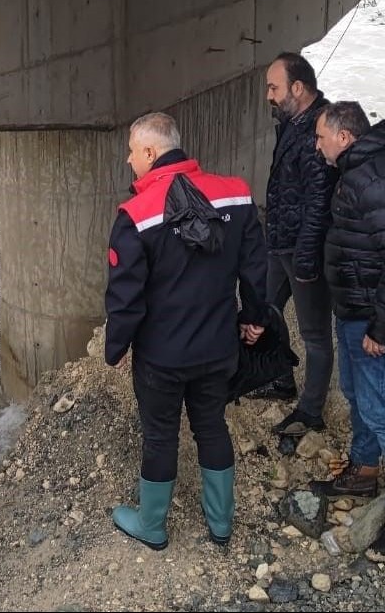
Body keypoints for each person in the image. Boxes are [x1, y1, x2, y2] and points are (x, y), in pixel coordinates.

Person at [105, 112, 269, 550]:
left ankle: (152, 527)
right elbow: (256, 267)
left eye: (131, 151)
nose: (128, 160)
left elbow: (126, 297)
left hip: (162, 356)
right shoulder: (236, 194)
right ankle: (220, 525)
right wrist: (255, 317)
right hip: (218, 347)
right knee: (211, 426)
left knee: (160, 435)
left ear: (150, 152)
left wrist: (115, 348)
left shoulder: (135, 215)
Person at [313, 101, 385, 562]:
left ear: (345, 137)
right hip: (353, 310)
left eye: (321, 136)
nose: (316, 144)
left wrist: (381, 326)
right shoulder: (353, 171)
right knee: (358, 395)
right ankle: (363, 469)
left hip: (370, 318)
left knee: (381, 409)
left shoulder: (370, 180)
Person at [255, 54, 339, 443]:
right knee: (267, 309)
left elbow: (318, 206)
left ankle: (311, 410)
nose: (269, 96)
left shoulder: (318, 130)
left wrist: (306, 263)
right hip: (280, 243)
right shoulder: (292, 123)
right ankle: (282, 378)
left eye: (274, 88)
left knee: (315, 333)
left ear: (298, 89)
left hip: (304, 252)